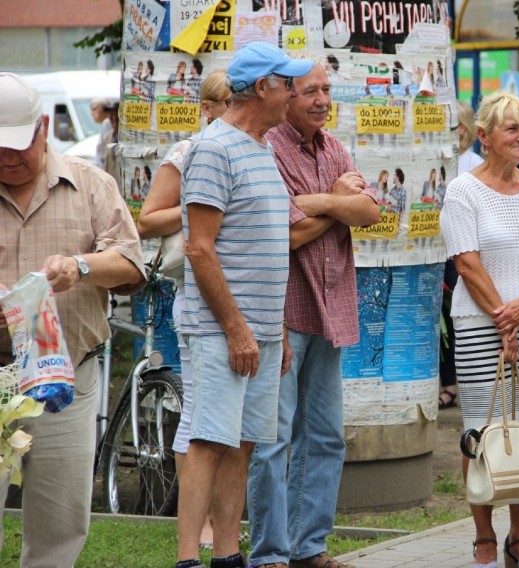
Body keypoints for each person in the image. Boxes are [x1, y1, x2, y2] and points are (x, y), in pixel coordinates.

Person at [174, 42, 313, 568]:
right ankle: (190, 558)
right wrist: (237, 330)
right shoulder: (214, 148)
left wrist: (272, 333)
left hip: (258, 333)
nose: (294, 95)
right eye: (288, 84)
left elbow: (266, 246)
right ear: (263, 88)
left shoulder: (262, 147)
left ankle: (229, 556)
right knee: (209, 439)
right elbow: (200, 248)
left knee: (244, 443)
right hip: (219, 331)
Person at [0, 72, 145, 567]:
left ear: (43, 128)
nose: (7, 157)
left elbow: (130, 265)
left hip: (67, 376)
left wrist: (80, 267)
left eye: (17, 145)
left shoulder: (90, 185)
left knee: (60, 520)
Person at [246, 62, 379, 568]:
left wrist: (312, 206)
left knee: (325, 435)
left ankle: (309, 549)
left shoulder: (335, 147)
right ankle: (271, 554)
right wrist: (336, 202)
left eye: (327, 90)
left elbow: (371, 211)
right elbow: (281, 233)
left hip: (331, 308)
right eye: (311, 91)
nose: (323, 99)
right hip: (283, 310)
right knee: (273, 439)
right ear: (285, 96)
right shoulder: (268, 148)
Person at [440, 90, 519, 568]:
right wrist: (502, 319)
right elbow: (467, 263)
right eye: (511, 129)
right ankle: (484, 538)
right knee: (482, 430)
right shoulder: (462, 190)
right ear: (484, 137)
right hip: (477, 321)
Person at [136, 68, 231, 551]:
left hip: (238, 295)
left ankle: (220, 522)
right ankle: (201, 528)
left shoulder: (249, 150)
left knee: (227, 422)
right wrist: (202, 204)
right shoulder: (188, 152)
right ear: (207, 109)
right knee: (197, 414)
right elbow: (149, 219)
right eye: (223, 104)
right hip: (196, 297)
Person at [439, 100, 484, 410]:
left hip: (462, 254)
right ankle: (446, 379)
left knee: (456, 320)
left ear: (462, 131)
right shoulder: (443, 160)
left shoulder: (472, 166)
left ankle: (453, 382)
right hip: (442, 253)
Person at [89, 97, 114, 169]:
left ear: (105, 109)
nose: (92, 113)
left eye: (94, 109)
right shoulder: (105, 124)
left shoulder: (107, 123)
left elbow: (102, 153)